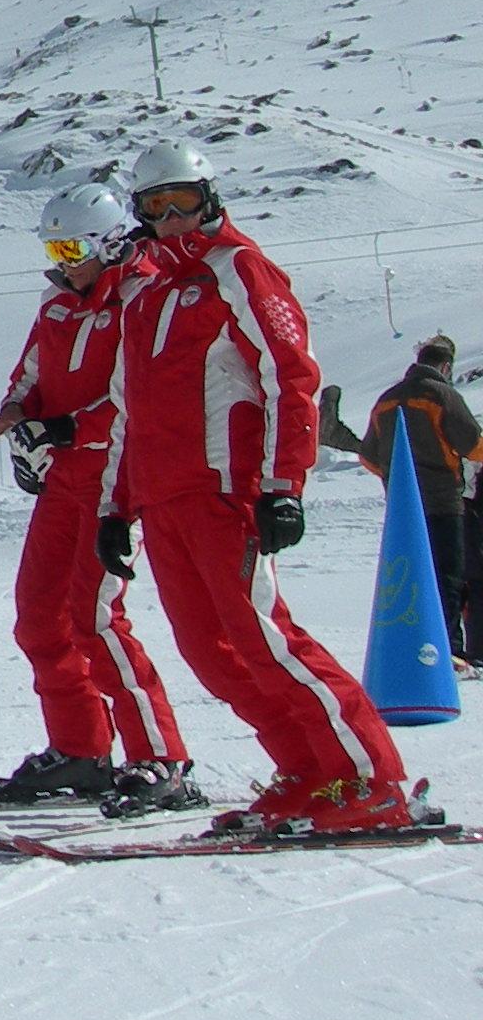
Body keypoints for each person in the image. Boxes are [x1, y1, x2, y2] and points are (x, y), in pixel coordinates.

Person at [102, 142, 427, 834]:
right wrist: (114, 508)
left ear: (209, 198)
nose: (171, 217)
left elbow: (290, 376)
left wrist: (282, 485)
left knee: (264, 638)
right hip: (164, 499)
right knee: (210, 652)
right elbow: (128, 410)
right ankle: (308, 770)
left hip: (227, 488)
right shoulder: (145, 293)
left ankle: (369, 779)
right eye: (156, 206)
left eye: (183, 201)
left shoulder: (239, 268)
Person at [0, 184, 195, 812]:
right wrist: (17, 414)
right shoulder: (59, 303)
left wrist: (67, 428)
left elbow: (137, 396)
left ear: (111, 241)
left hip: (117, 477)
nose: (62, 263)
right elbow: (31, 373)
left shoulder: (141, 297)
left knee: (94, 616)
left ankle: (160, 758)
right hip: (64, 480)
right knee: (39, 616)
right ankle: (80, 750)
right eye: (54, 250)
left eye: (72, 249)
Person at [354, 335, 481, 663]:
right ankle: (448, 652)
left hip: (403, 506)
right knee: (447, 577)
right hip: (443, 503)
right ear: (446, 366)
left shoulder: (387, 399)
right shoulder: (442, 395)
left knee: (409, 579)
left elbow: (367, 457)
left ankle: (410, 648)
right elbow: (472, 445)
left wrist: (395, 476)